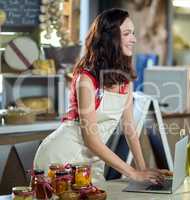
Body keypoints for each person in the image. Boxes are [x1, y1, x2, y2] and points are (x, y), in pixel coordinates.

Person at [34, 8, 166, 184]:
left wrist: (143, 170)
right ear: (110, 38)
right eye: (127, 33)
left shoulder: (125, 81)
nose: (133, 39)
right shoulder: (86, 78)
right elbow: (91, 140)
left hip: (91, 162)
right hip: (60, 158)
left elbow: (129, 129)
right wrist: (133, 173)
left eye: (133, 33)